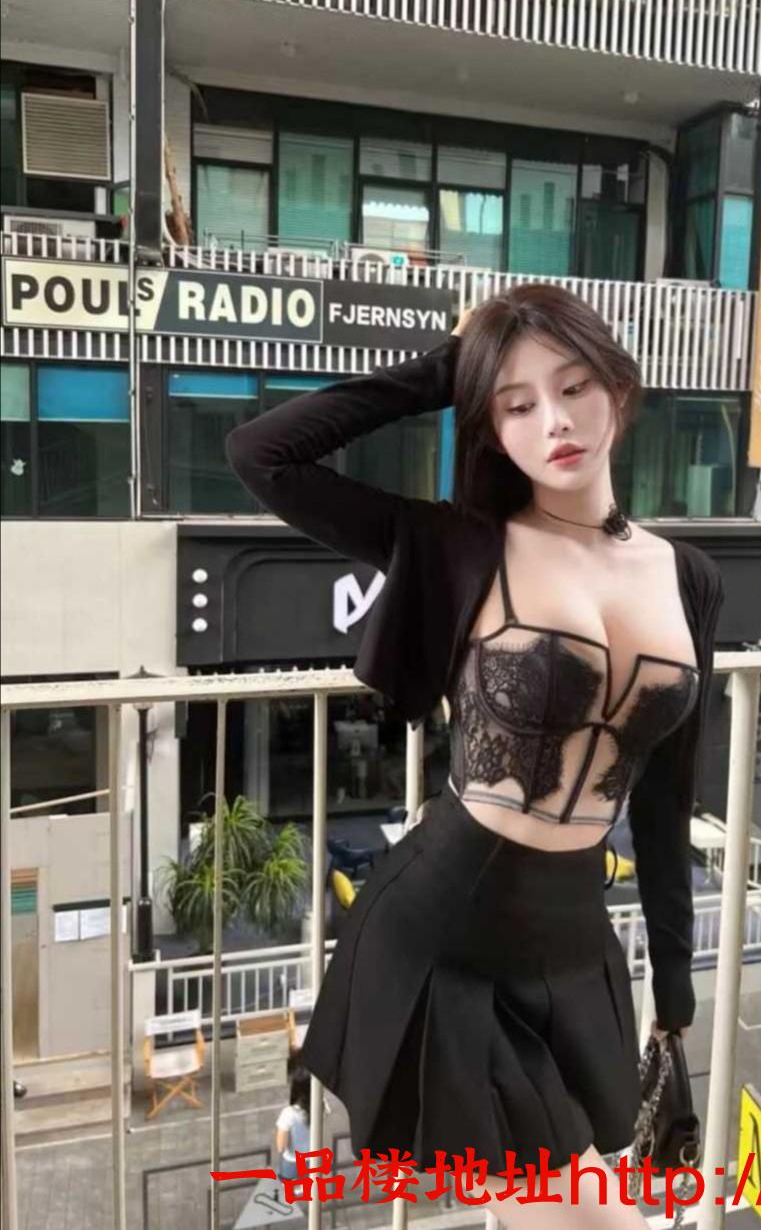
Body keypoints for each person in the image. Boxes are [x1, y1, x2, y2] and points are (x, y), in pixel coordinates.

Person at [226, 284, 724, 1228]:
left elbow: (668, 797)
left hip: (573, 940)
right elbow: (262, 454)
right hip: (447, 931)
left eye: (574, 387)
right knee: (587, 1217)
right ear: (491, 427)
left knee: (566, 1206)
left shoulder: (687, 576)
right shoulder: (460, 545)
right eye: (517, 404)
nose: (555, 421)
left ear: (618, 388)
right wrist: (445, 369)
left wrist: (674, 977)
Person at [274, 1066, 312, 1181]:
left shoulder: (289, 1113)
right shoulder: (321, 1107)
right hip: (313, 1159)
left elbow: (281, 1146)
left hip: (292, 1162)